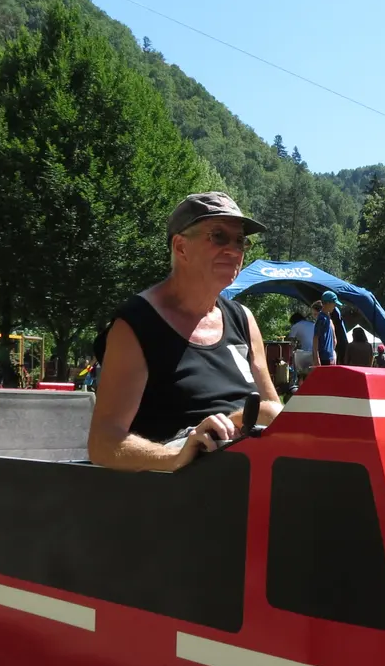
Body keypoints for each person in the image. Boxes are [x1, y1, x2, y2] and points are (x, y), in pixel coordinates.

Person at [88, 191, 282, 471]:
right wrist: (177, 456)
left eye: (240, 240)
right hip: (178, 493)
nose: (234, 250)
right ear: (180, 247)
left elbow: (274, 415)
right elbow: (104, 444)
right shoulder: (137, 325)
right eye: (219, 236)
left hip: (250, 481)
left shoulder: (243, 319)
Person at [312, 291, 342, 368]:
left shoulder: (328, 318)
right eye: (334, 303)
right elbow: (316, 338)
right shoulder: (322, 319)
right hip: (323, 358)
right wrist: (316, 357)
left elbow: (334, 339)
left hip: (329, 357)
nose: (335, 306)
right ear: (328, 303)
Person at [285, 310, 315, 384]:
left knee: (296, 364)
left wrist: (289, 354)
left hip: (305, 352)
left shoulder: (296, 326)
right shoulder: (312, 324)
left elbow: (290, 343)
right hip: (316, 352)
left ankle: (294, 382)